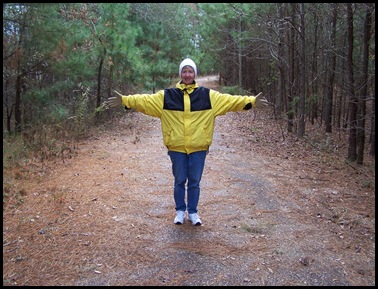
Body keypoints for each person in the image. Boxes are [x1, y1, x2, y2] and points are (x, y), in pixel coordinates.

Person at [105, 58, 268, 226]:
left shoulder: (208, 96)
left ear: (194, 74)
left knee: (195, 182)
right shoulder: (167, 96)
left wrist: (252, 102)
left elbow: (231, 101)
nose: (187, 74)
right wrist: (125, 100)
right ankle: (180, 211)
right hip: (177, 148)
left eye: (190, 71)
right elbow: (144, 101)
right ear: (180, 74)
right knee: (180, 180)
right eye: (185, 71)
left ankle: (193, 212)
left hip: (198, 148)